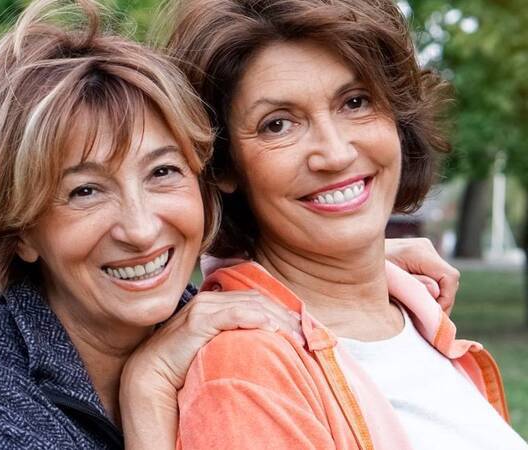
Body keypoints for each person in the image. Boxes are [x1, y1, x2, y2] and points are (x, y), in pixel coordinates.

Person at [0, 0, 461, 448]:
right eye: (84, 191)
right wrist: (148, 389)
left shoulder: (194, 319)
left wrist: (359, 266)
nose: (140, 229)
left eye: (162, 172)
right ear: (17, 227)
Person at [159, 0, 528, 449]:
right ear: (223, 165)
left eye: (355, 102)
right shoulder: (247, 371)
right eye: (278, 125)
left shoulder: (416, 318)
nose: (334, 153)